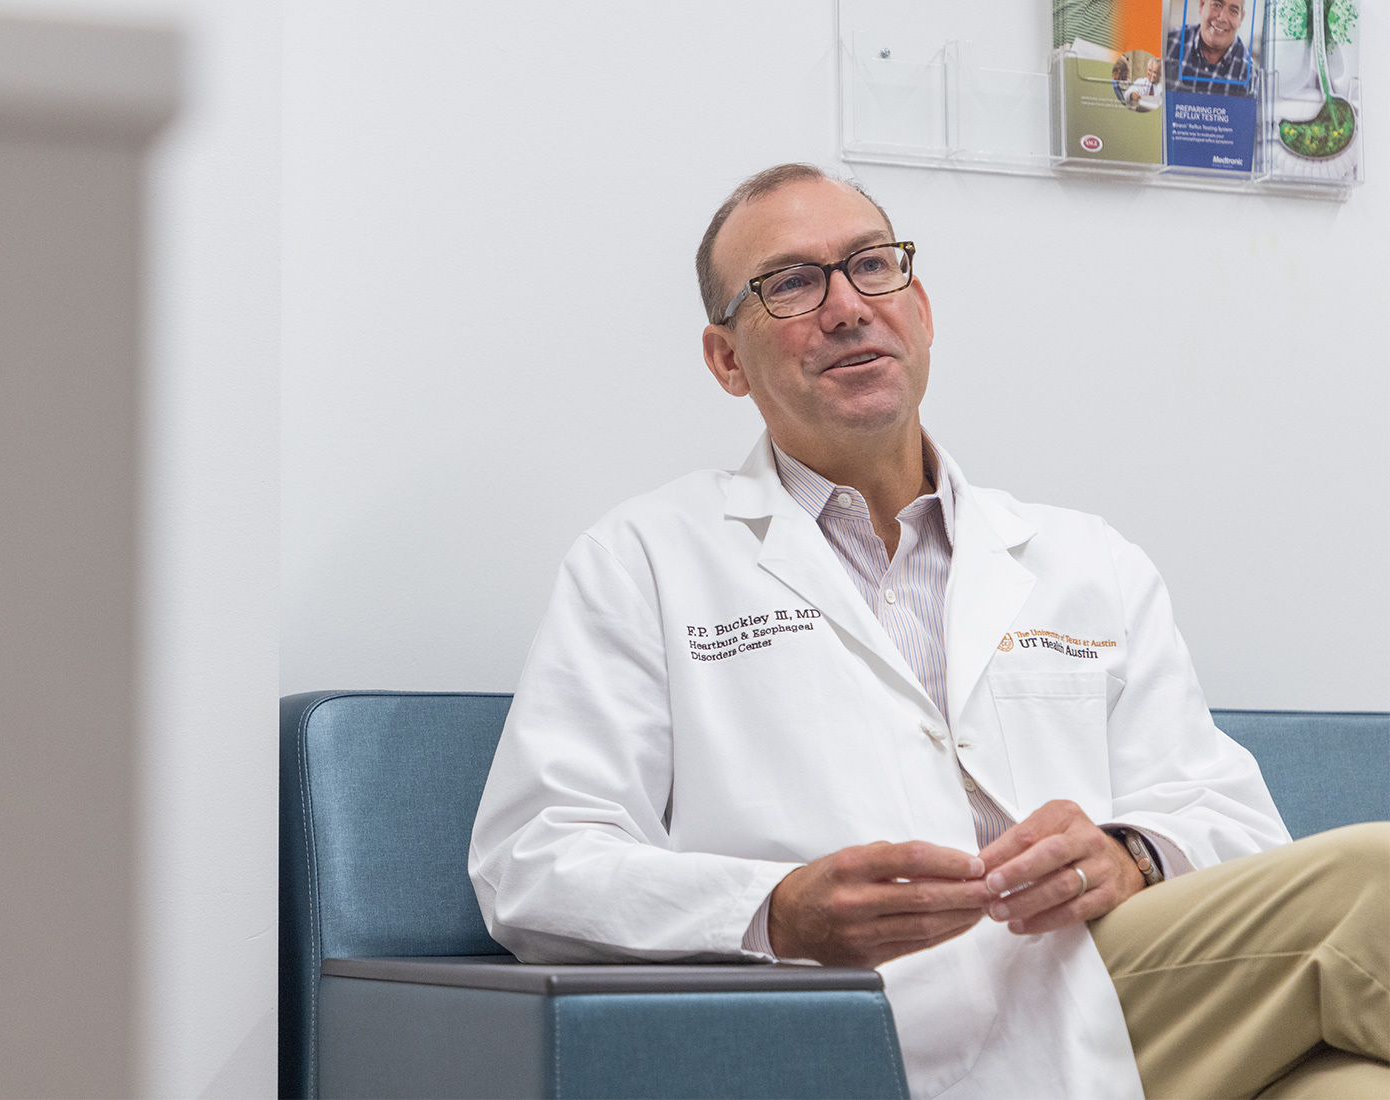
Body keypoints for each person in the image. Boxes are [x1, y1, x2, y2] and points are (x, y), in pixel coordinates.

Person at [469, 164, 1388, 1099]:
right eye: (789, 283)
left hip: (1122, 1001)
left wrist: (1131, 853)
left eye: (873, 265)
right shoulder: (644, 559)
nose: (846, 306)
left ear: (923, 310)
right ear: (726, 360)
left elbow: (1233, 821)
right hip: (862, 1031)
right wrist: (775, 910)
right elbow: (533, 864)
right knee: (1375, 885)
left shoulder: (1084, 559)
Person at [1166, 0, 1254, 96]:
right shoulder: (1169, 42)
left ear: (1241, 19)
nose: (1222, 18)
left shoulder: (1249, 74)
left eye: (1233, 11)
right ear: (1202, 5)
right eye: (1216, 5)